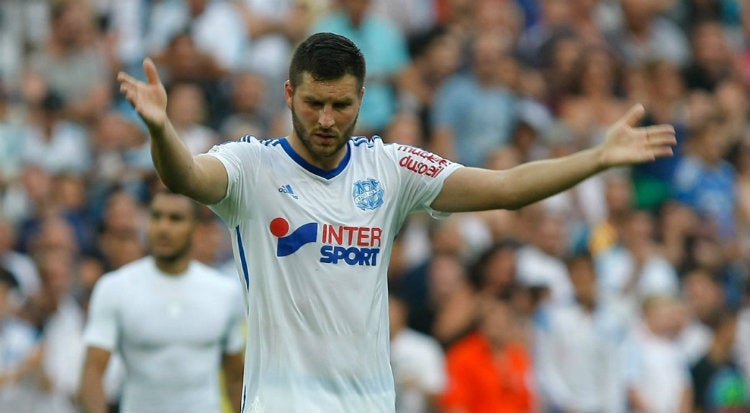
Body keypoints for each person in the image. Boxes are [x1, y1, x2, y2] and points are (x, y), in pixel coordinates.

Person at [116, 31, 676, 413]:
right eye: (313, 103)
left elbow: (504, 189)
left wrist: (596, 159)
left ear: (362, 97)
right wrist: (162, 131)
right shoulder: (250, 164)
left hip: (369, 402)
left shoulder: (390, 167)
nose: (326, 119)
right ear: (289, 93)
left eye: (341, 104)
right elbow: (187, 177)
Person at [78, 190, 246, 413]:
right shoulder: (115, 288)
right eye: (156, 217)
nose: (163, 227)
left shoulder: (225, 293)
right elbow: (92, 374)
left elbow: (236, 380)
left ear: (196, 229)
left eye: (175, 218)